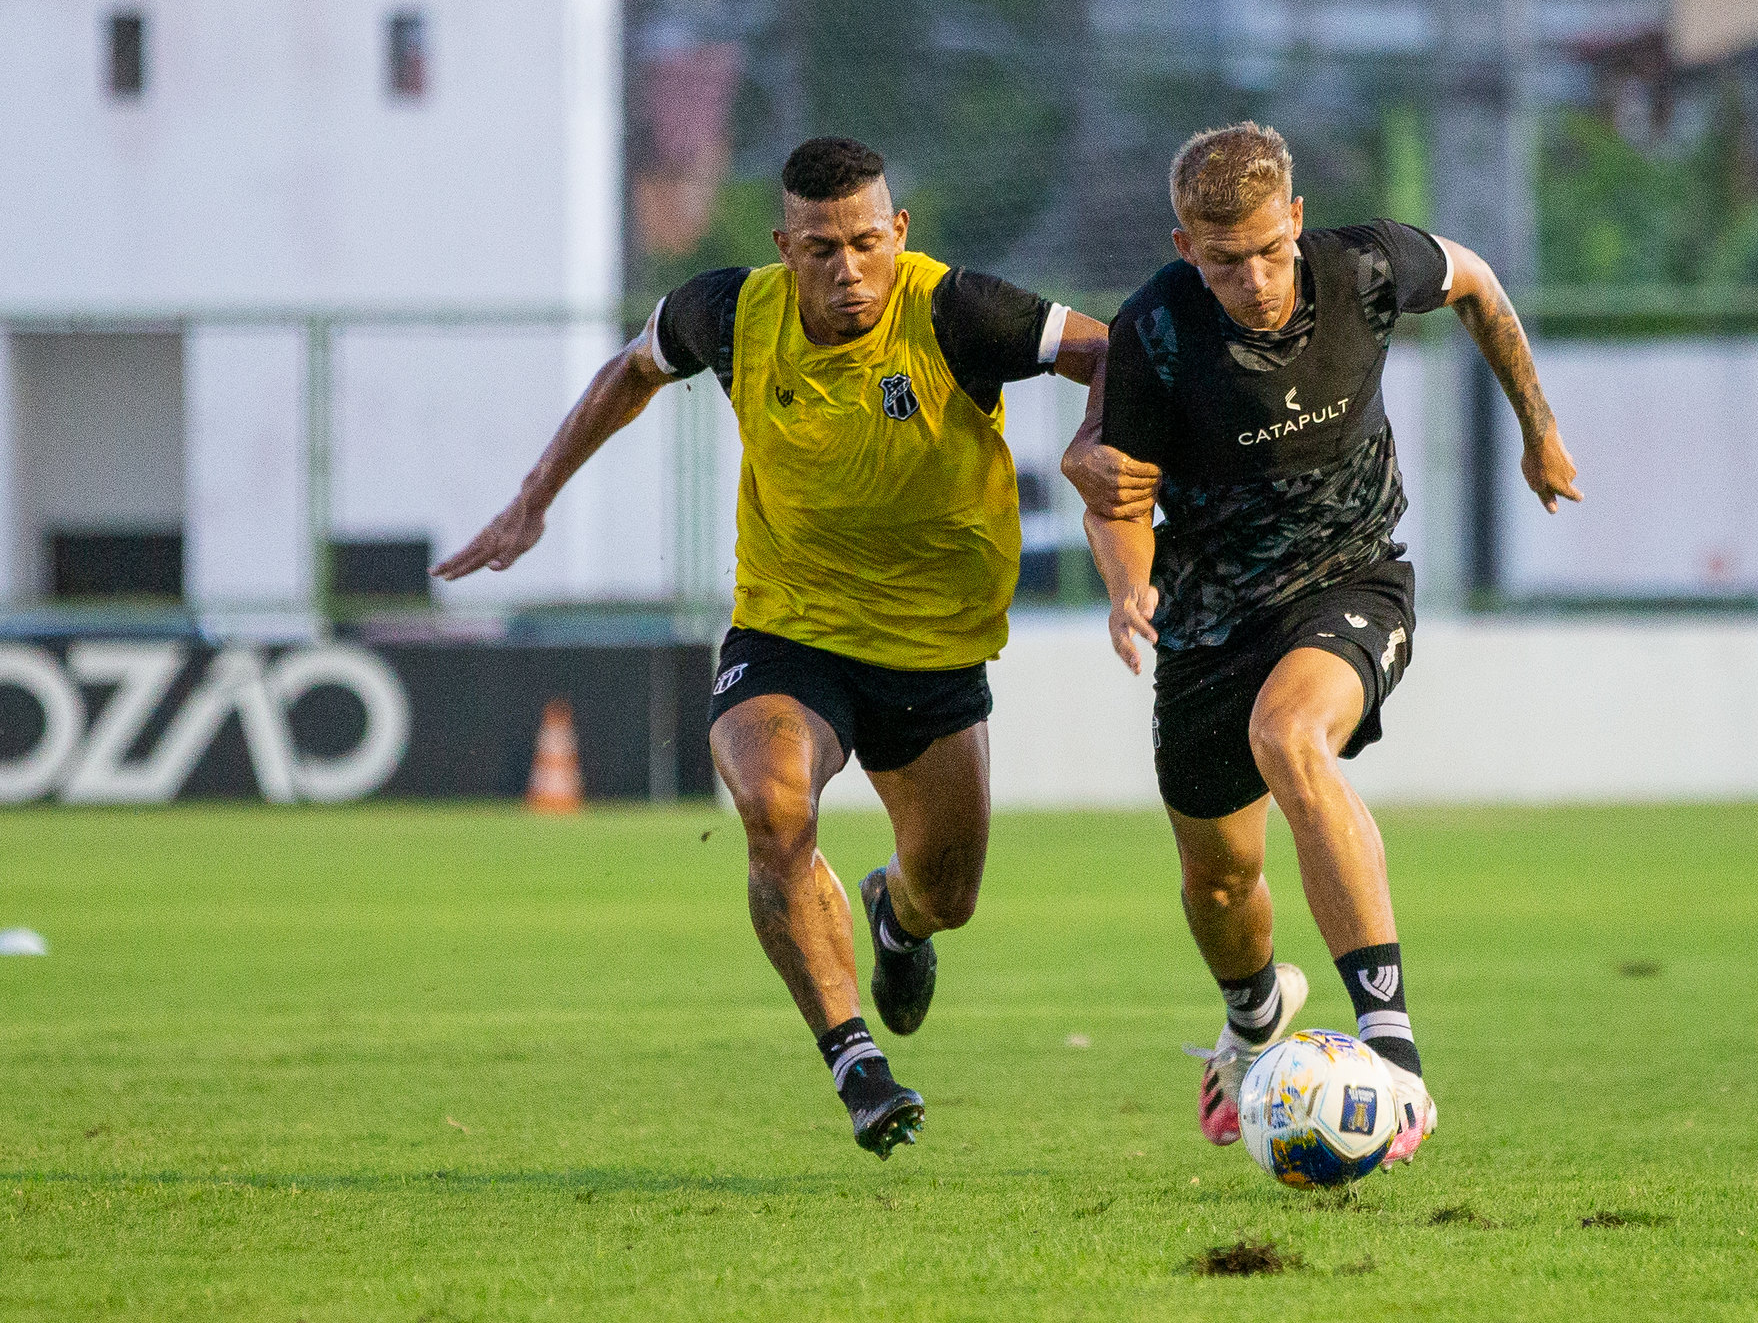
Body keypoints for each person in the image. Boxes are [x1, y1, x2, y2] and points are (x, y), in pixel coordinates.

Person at [433, 136, 1109, 1159]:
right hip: (787, 627)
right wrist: (532, 503)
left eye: (868, 244)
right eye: (823, 249)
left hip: (931, 651)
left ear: (900, 234)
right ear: (784, 245)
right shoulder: (728, 314)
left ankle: (895, 917)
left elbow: (1106, 351)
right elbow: (631, 369)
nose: (848, 272)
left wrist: (1099, 439)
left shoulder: (955, 310)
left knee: (949, 893)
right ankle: (855, 1061)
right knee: (773, 808)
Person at [1072, 122, 1582, 1164]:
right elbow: (1115, 490)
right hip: (1207, 615)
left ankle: (1391, 1050)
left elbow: (1478, 284)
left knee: (1290, 738)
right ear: (1184, 248)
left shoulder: (1363, 266)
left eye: (1266, 250)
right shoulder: (1153, 333)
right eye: (1223, 261)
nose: (1252, 279)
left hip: (1350, 579)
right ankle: (1253, 1014)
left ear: (1294, 220)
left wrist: (1538, 426)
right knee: (1216, 885)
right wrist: (1128, 587)